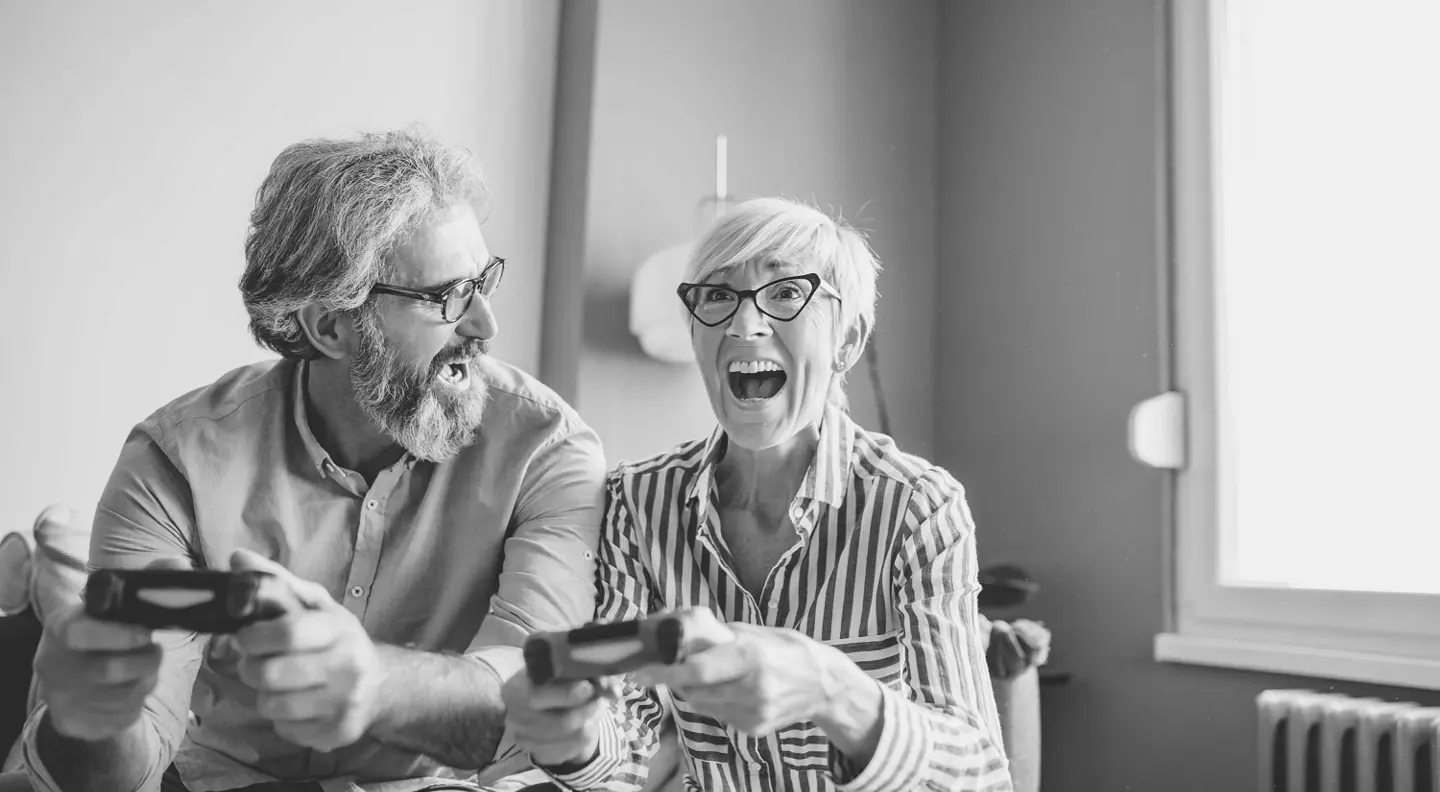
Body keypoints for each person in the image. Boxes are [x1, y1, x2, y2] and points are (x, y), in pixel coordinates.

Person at [3, 129, 616, 792]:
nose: (485, 324)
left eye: (483, 281)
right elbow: (128, 763)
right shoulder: (174, 463)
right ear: (329, 326)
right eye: (448, 296)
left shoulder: (547, 451)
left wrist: (374, 683)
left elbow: (531, 707)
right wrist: (93, 718)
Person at [503, 197, 1014, 791]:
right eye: (718, 295)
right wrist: (574, 741)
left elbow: (982, 773)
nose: (745, 326)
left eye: (787, 292)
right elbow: (627, 742)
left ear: (847, 341)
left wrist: (832, 688)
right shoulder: (637, 500)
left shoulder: (919, 508)